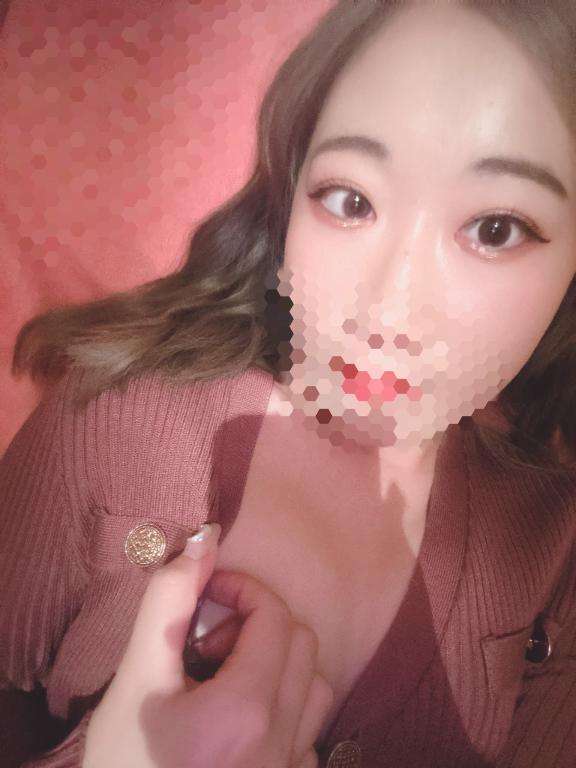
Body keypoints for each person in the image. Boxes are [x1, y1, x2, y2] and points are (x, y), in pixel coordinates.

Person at [2, 0, 576, 766]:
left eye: (495, 229)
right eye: (350, 200)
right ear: (291, 200)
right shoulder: (110, 413)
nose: (388, 306)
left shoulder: (556, 550)